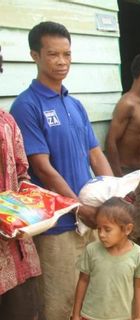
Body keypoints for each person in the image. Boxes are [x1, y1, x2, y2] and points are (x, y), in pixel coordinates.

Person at [10, 21, 114, 320]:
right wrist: (78, 208)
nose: (62, 62)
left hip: (92, 217)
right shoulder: (26, 106)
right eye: (53, 54)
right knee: (61, 302)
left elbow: (95, 153)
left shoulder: (75, 104)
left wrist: (113, 195)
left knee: (93, 295)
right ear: (35, 56)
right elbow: (43, 167)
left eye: (67, 54)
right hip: (57, 226)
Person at [0, 44, 43, 320]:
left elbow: (21, 174)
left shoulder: (7, 121)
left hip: (13, 246)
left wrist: (37, 208)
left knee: (22, 311)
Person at [106, 53, 140, 245]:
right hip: (128, 174)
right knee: (133, 228)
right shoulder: (127, 103)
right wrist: (119, 178)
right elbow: (111, 142)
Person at [71, 197, 140, 320]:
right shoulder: (91, 250)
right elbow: (83, 281)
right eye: (99, 229)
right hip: (89, 316)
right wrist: (76, 314)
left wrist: (139, 316)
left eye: (107, 229)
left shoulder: (139, 256)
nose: (101, 234)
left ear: (127, 229)